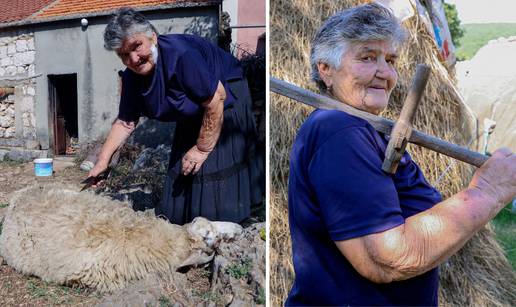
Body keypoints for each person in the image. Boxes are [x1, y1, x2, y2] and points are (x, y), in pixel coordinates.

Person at [286, 3, 516, 306]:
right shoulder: (339, 131)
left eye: (390, 59)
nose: (385, 72)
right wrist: (488, 191)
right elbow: (385, 257)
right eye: (368, 57)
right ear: (325, 69)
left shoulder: (363, 129)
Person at [89, 8, 263, 225]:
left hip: (224, 96)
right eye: (124, 54)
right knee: (180, 180)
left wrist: (201, 149)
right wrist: (103, 161)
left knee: (211, 171)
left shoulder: (181, 55)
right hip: (194, 107)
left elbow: (216, 99)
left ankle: (227, 223)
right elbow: (125, 122)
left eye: (136, 46)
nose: (133, 59)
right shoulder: (133, 76)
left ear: (152, 36)